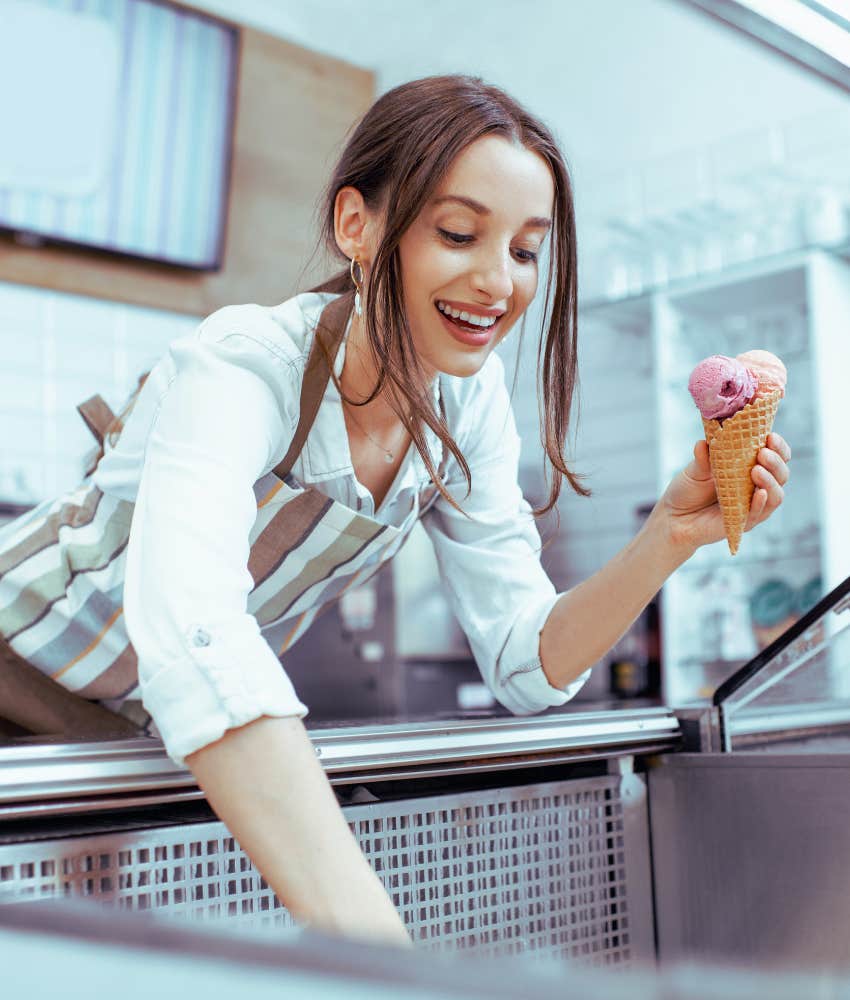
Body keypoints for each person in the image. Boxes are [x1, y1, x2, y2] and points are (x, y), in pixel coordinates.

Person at [0, 74, 790, 947]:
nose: (498, 283)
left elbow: (525, 662)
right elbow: (197, 636)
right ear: (357, 226)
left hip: (136, 730)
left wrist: (668, 537)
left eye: (526, 251)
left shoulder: (468, 403)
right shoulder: (244, 363)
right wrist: (383, 955)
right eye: (459, 233)